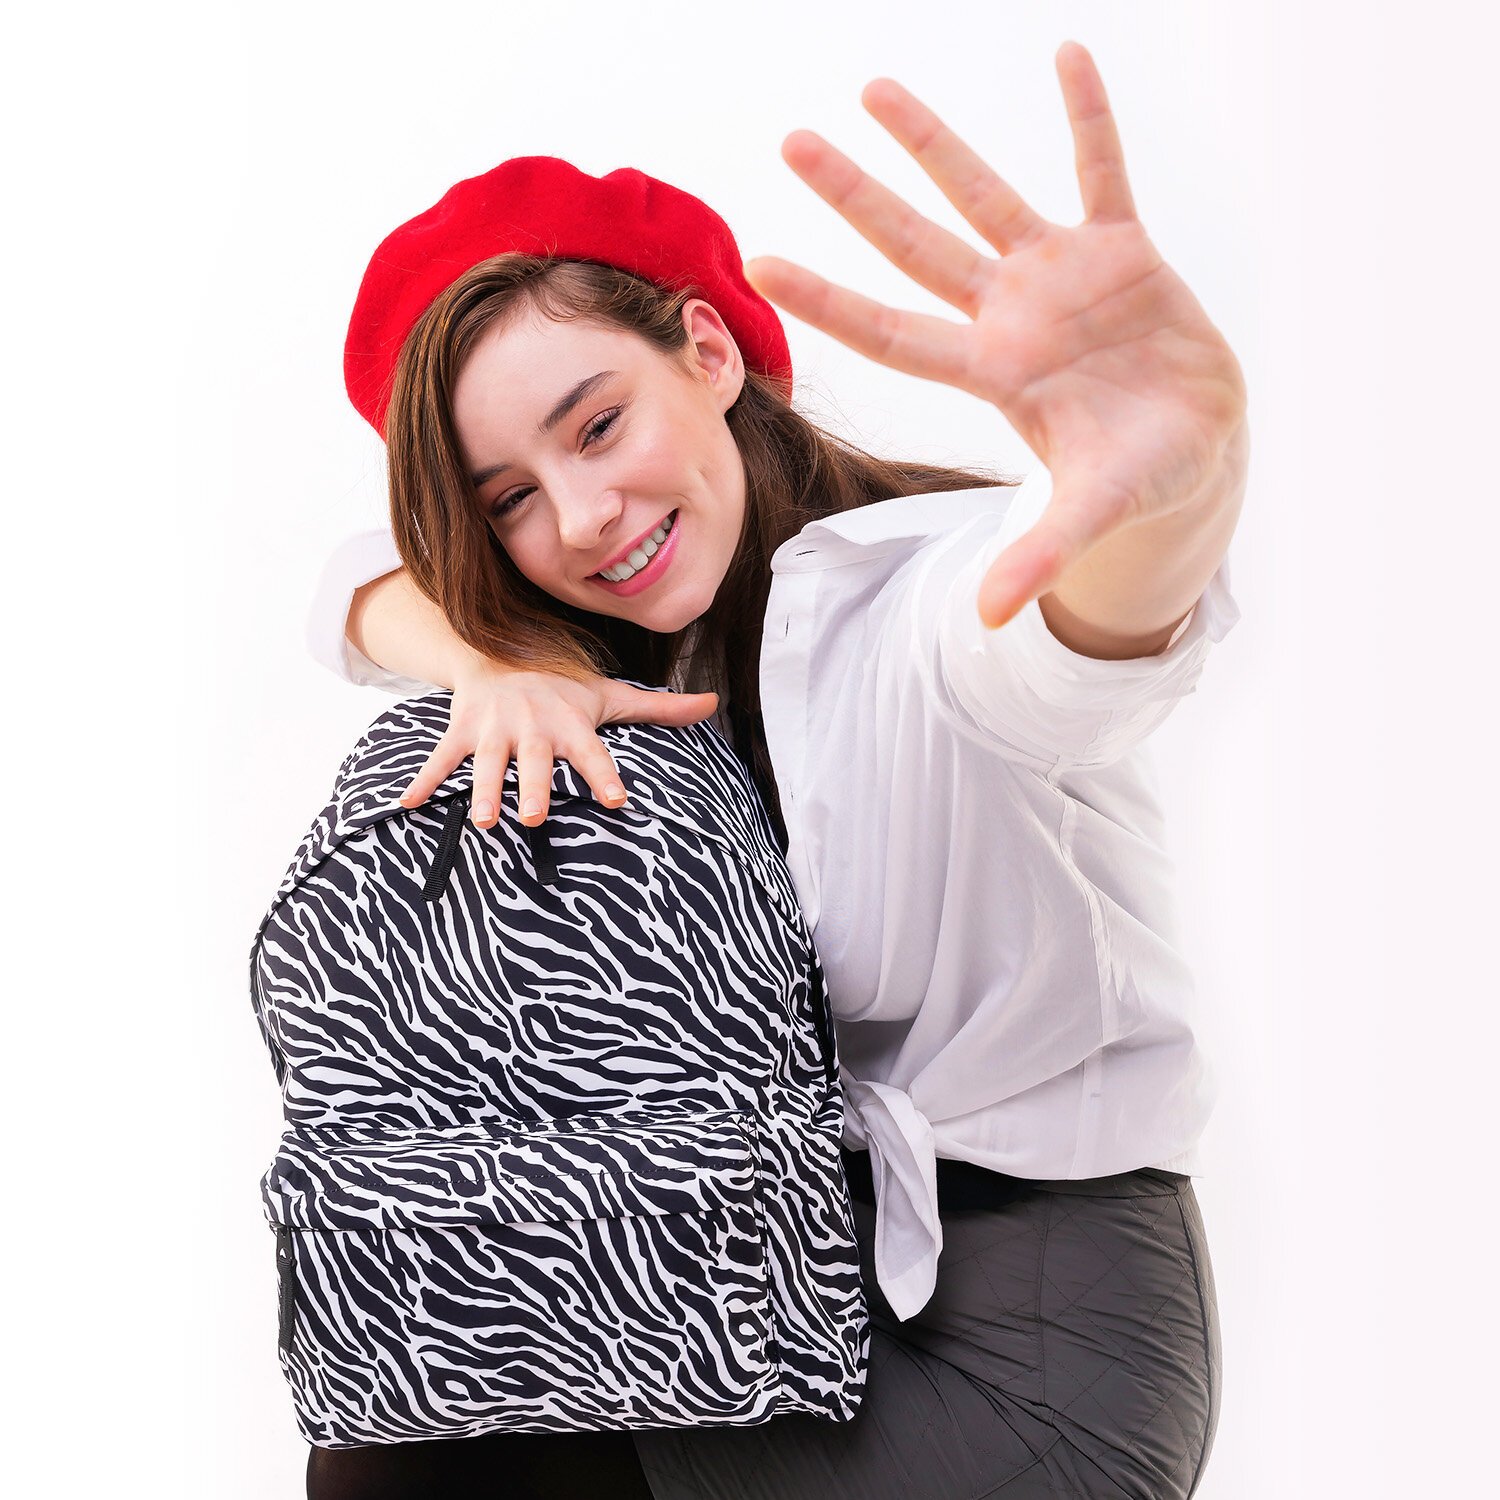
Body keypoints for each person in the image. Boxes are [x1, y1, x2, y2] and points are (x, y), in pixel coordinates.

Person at [301, 41, 1245, 1500]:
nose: (584, 515)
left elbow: (1072, 640)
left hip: (1042, 1344)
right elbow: (352, 591)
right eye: (512, 501)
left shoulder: (922, 597)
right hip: (800, 1273)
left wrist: (1172, 492)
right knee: (407, 1420)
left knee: (427, 1465)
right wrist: (493, 660)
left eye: (598, 425)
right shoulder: (641, 649)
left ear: (710, 352)